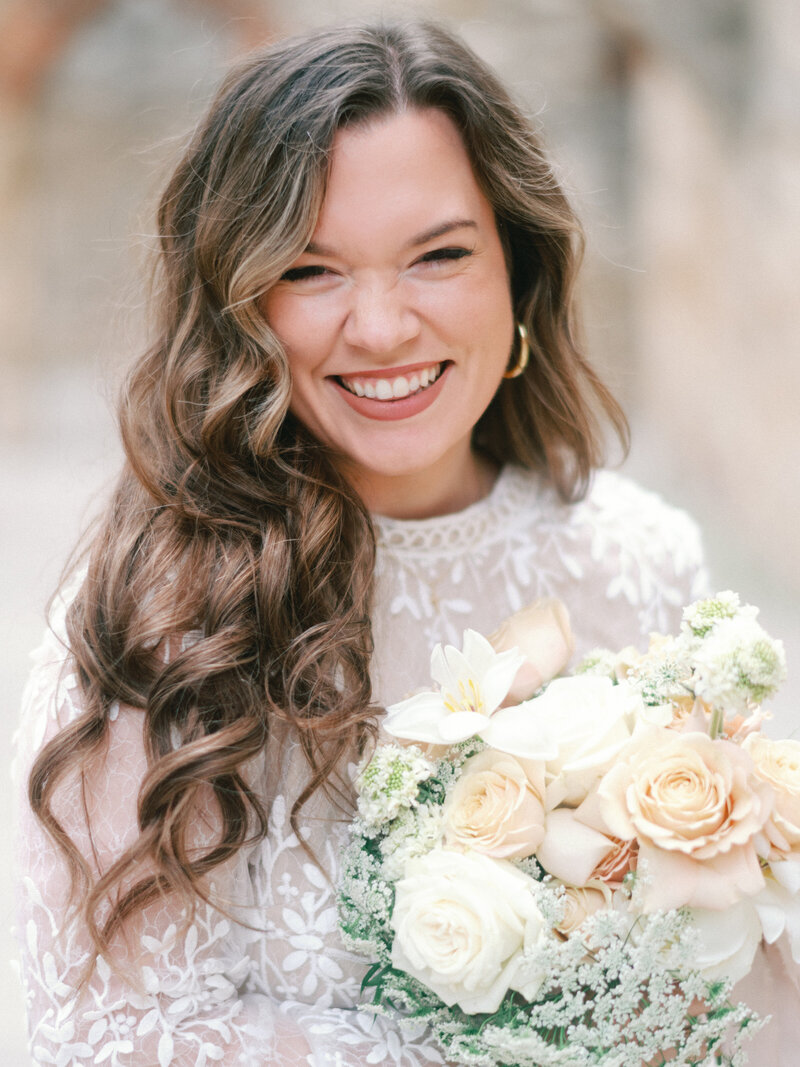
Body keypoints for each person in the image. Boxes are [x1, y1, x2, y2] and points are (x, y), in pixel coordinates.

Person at [13, 19, 797, 1066]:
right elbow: (108, 1032)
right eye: (311, 269)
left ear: (518, 269)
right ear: (238, 299)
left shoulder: (638, 557)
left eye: (437, 255)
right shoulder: (155, 617)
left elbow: (729, 971)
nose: (381, 328)